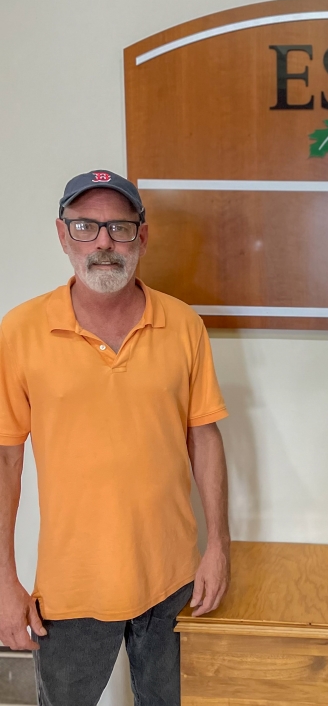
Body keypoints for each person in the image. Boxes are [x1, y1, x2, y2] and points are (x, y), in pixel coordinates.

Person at [0, 170, 231, 706]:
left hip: (174, 581)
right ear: (63, 235)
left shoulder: (184, 325)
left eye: (119, 228)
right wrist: (4, 579)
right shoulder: (21, 332)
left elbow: (206, 438)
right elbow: (6, 461)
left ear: (142, 238)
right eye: (86, 226)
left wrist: (217, 546)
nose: (103, 242)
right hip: (71, 588)